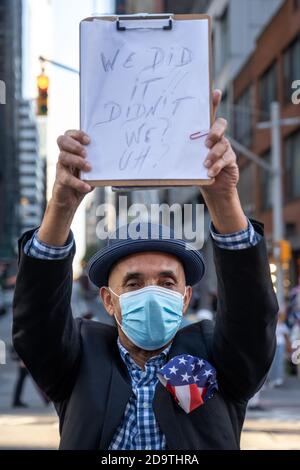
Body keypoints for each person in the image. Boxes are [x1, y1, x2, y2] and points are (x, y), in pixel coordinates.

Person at [12, 90, 278, 450]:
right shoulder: (79, 361)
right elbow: (37, 322)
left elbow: (252, 314)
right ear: (108, 300)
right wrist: (61, 206)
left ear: (186, 298)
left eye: (168, 282)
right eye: (134, 282)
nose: (152, 292)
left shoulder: (217, 356)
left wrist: (223, 199)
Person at [268, 310, 291, 387]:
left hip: (281, 345)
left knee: (279, 361)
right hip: (273, 345)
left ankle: (278, 378)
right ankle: (271, 378)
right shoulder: (272, 324)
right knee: (273, 362)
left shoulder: (282, 325)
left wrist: (289, 346)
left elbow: (286, 336)